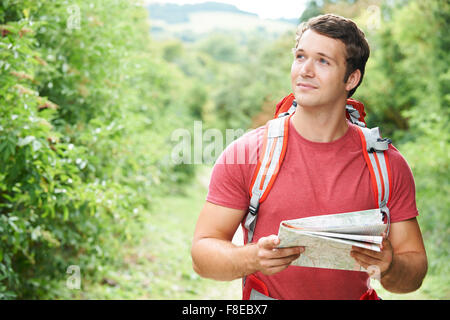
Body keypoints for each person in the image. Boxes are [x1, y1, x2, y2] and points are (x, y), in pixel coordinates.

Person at [191, 14, 428, 300]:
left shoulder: (386, 165)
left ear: (351, 78)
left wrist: (390, 266)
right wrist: (251, 258)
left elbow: (414, 271)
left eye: (323, 61)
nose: (305, 70)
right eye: (300, 56)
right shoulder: (247, 154)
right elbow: (202, 253)